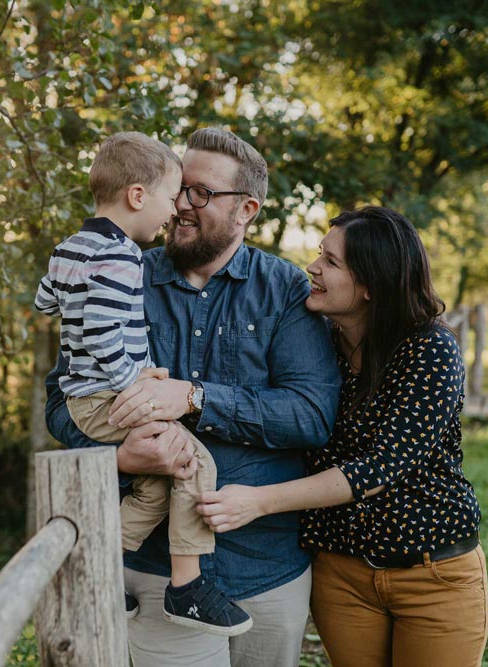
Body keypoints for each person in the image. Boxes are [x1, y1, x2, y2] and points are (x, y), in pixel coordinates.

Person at [45, 127, 341, 666]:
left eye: (200, 193)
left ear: (246, 209)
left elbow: (312, 415)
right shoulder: (120, 273)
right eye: (179, 188)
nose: (180, 204)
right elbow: (61, 403)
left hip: (266, 570)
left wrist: (196, 398)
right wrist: (119, 456)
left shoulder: (287, 290)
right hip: (155, 574)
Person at [198, 206, 488, 667]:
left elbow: (378, 467)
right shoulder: (317, 342)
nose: (312, 267)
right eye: (319, 254)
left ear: (373, 284)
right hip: (341, 573)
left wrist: (258, 500)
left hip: (432, 572)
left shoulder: (429, 349)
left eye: (332, 262)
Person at [34, 131, 251, 637]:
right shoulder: (122, 257)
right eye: (169, 197)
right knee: (195, 463)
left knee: (154, 487)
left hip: (84, 392)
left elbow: (47, 301)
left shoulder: (71, 247)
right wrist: (135, 382)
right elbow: (103, 332)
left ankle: (97, 561)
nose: (174, 211)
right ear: (136, 196)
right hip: (111, 394)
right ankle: (187, 586)